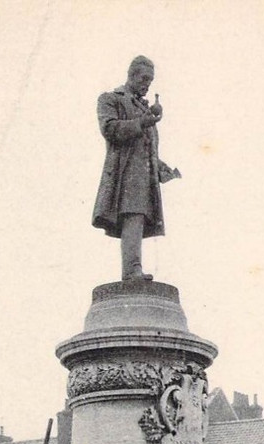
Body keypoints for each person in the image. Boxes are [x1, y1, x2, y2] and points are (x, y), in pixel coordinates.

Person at [92, 56, 180, 282]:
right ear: (131, 75)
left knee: (138, 219)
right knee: (132, 216)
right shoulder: (111, 99)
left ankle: (134, 269)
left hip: (143, 178)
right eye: (143, 78)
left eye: (150, 80)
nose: (147, 84)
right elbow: (111, 129)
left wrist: (162, 168)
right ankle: (132, 271)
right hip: (124, 176)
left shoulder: (144, 109)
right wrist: (145, 121)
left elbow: (147, 149)